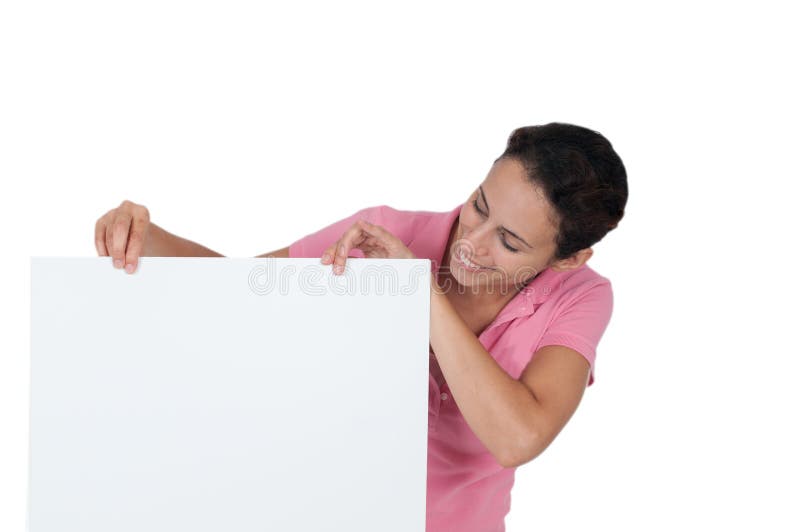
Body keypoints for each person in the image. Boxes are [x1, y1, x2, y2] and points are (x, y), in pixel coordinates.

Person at [95, 122, 628, 531]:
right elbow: (236, 291)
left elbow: (517, 437)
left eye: (509, 242)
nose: (473, 240)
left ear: (567, 259)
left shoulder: (580, 296)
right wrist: (146, 232)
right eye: (478, 206)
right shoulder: (388, 232)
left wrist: (416, 292)